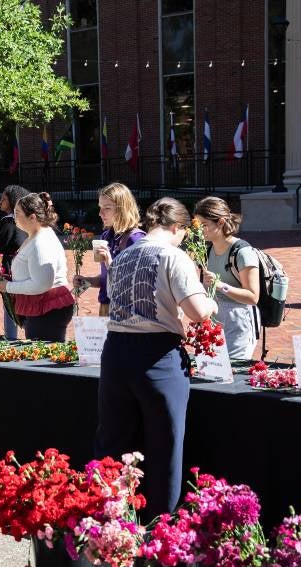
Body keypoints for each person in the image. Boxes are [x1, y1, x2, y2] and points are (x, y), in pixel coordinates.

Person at [96, 197, 218, 519]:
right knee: (165, 445)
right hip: (156, 356)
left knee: (114, 439)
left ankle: (109, 517)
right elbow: (197, 311)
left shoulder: (122, 257)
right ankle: (159, 526)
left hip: (115, 353)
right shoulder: (172, 255)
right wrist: (211, 303)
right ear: (177, 228)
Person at [0, 193, 75, 342]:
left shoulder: (41, 241)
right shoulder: (35, 235)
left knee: (43, 356)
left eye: (18, 213)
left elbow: (41, 284)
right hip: (41, 307)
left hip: (47, 310)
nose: (14, 217)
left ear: (32, 217)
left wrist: (8, 287)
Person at [193, 196, 260, 359]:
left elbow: (253, 297)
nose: (200, 230)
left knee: (234, 374)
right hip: (214, 322)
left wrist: (220, 285)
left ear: (221, 222)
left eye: (204, 225)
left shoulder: (242, 252)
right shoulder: (206, 251)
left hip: (239, 323)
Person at [73, 182, 146, 316]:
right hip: (106, 307)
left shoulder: (136, 240)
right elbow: (106, 279)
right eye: (100, 207)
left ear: (122, 209)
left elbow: (136, 284)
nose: (100, 213)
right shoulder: (106, 236)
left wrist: (109, 262)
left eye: (106, 208)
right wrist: (86, 281)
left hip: (126, 311)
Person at [0, 184, 30, 340]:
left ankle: (10, 338)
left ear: (11, 200)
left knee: (9, 304)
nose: (0, 202)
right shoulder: (24, 220)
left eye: (3, 199)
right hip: (24, 265)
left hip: (11, 268)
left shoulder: (9, 222)